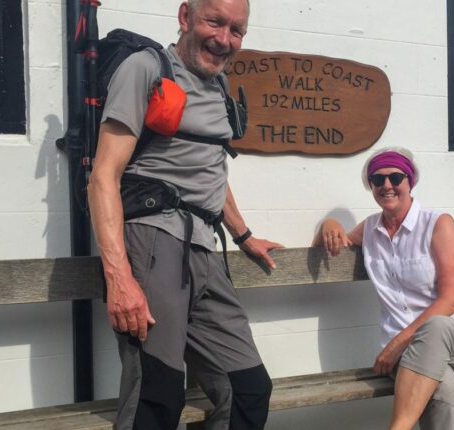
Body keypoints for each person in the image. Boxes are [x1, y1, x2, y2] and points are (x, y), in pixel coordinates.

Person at [88, 1, 282, 429]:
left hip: (205, 251)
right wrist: (120, 279)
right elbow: (103, 176)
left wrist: (244, 235)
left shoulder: (219, 84)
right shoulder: (146, 68)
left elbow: (210, 166)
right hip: (154, 240)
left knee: (248, 389)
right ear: (185, 18)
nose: (224, 39)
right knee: (157, 394)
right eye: (215, 22)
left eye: (237, 31)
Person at [312, 147, 454, 430]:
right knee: (443, 391)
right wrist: (328, 223)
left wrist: (395, 344)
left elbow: (450, 300)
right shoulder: (370, 229)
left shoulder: (438, 223)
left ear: (410, 182)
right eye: (377, 180)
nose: (387, 186)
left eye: (395, 177)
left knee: (437, 327)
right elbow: (338, 240)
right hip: (409, 354)